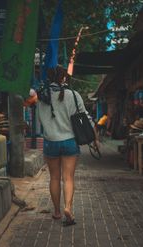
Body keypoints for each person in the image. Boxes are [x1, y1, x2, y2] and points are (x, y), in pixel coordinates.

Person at [38, 65, 99, 226]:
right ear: (64, 77)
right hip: (70, 141)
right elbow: (85, 116)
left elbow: (39, 117)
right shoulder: (73, 94)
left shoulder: (42, 95)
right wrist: (95, 136)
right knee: (68, 178)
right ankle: (68, 208)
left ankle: (57, 212)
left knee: (54, 178)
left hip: (50, 141)